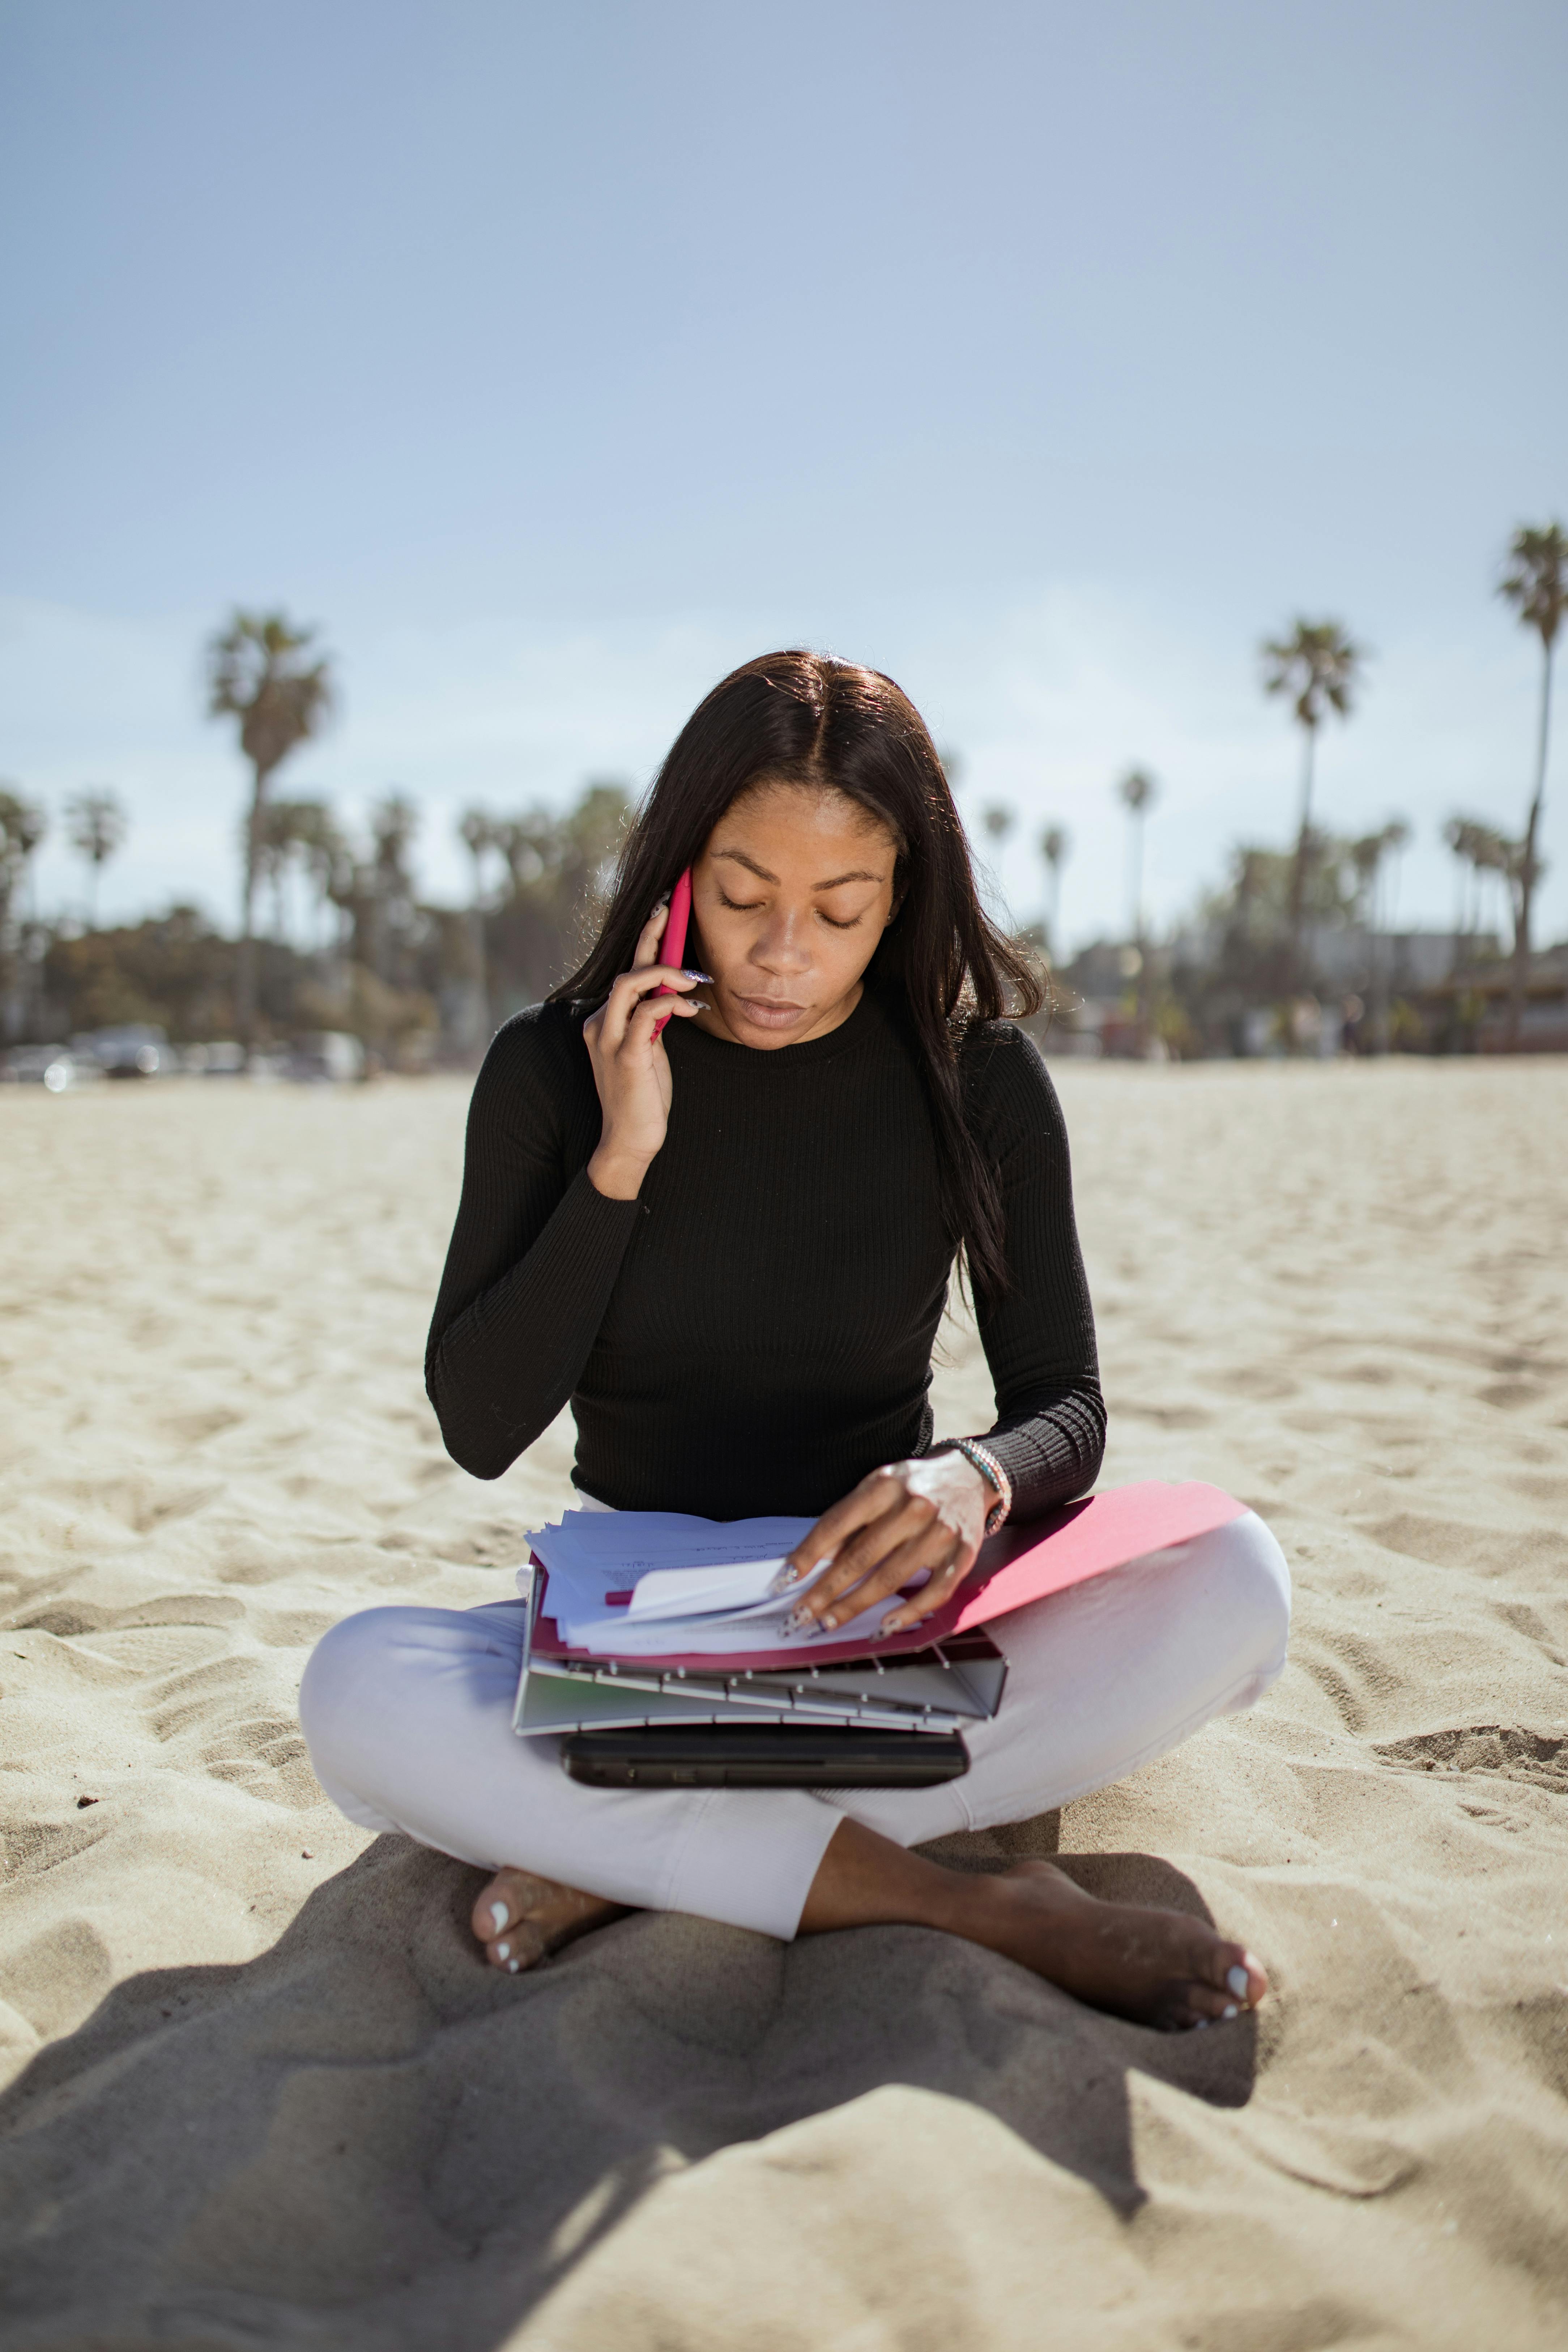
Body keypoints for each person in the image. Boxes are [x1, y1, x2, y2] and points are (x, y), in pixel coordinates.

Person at [301, 651, 1289, 2031]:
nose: (781, 955)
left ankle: (631, 1860)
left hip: (884, 1626)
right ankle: (967, 1896)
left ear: (904, 898)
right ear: (678, 872)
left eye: (839, 909)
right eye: (745, 897)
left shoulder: (977, 1079)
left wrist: (976, 1479)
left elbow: (1064, 1402)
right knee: (356, 1685)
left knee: (1238, 1578)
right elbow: (479, 1427)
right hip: (632, 1643)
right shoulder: (554, 1067)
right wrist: (621, 1159)